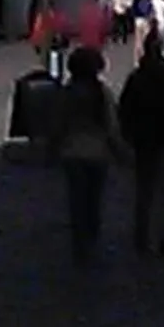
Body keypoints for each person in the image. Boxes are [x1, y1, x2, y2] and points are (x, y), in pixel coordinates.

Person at [117, 32, 164, 255]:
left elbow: (124, 110)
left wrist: (128, 136)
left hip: (144, 141)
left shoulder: (137, 77)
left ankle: (141, 236)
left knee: (144, 191)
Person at [52, 45, 127, 262]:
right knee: (93, 200)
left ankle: (79, 243)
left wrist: (52, 146)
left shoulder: (67, 92)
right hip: (97, 153)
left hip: (72, 152)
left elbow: (58, 122)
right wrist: (120, 151)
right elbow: (112, 125)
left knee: (76, 200)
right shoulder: (101, 93)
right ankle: (91, 239)